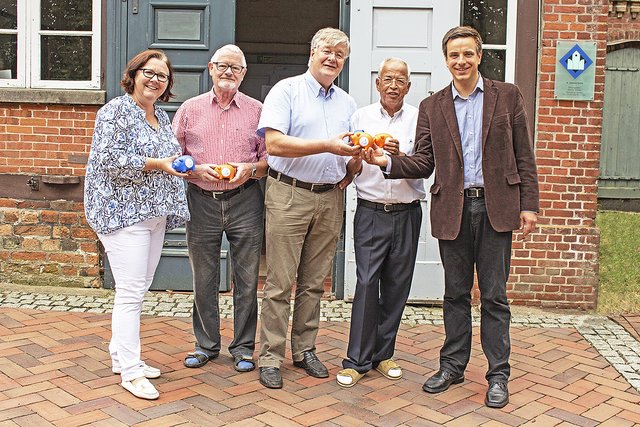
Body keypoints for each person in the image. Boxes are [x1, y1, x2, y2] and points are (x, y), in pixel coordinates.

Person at [363, 26, 539, 408]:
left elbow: (523, 153)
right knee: (455, 294)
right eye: (453, 55)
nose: (461, 61)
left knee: (494, 296)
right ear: (446, 60)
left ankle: (497, 375)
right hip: (453, 210)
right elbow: (424, 162)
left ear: (479, 56)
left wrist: (529, 204)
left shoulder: (507, 96)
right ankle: (452, 365)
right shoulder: (433, 106)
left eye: (467, 54)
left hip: (496, 208)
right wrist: (387, 162)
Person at [256, 27, 361, 389]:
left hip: (331, 196)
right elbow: (275, 145)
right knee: (279, 283)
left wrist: (354, 163)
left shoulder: (347, 103)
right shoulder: (286, 90)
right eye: (327, 51)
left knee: (314, 282)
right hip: (289, 194)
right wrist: (328, 148)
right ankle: (270, 356)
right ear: (312, 52)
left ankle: (305, 349)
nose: (333, 58)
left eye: (340, 55)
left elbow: (348, 150)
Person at [84, 49, 190, 400]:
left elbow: (171, 160)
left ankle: (120, 357)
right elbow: (109, 160)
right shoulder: (114, 111)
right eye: (149, 72)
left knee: (139, 288)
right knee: (130, 292)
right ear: (134, 73)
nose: (155, 80)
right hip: (122, 214)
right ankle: (131, 371)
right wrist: (159, 164)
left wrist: (188, 167)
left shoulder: (160, 114)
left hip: (153, 215)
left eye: (163, 76)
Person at [173, 44, 267, 373]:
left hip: (245, 199)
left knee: (246, 280)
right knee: (204, 277)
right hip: (201, 201)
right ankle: (206, 345)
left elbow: (270, 159)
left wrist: (251, 169)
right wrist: (194, 170)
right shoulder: (189, 109)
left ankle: (242, 348)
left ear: (244, 74)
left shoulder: (257, 110)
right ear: (211, 68)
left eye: (236, 68)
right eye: (222, 66)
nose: (229, 72)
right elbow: (175, 156)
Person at [336, 58, 426, 388]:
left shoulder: (420, 119)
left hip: (407, 212)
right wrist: (357, 157)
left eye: (399, 80)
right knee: (365, 283)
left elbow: (424, 165)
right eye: (387, 79)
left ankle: (383, 354)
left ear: (408, 86)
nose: (393, 86)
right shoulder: (360, 117)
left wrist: (397, 155)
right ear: (377, 83)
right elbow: (350, 168)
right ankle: (356, 360)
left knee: (396, 287)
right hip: (371, 211)